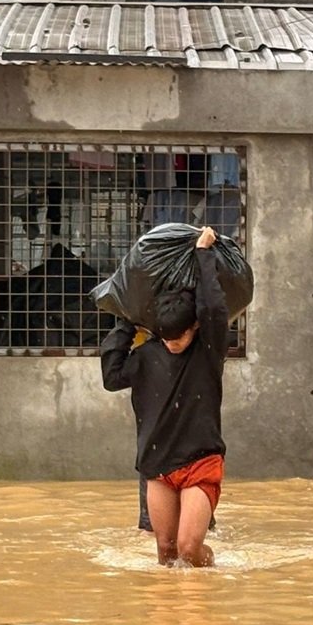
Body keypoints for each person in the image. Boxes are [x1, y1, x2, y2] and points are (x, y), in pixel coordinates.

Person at [101, 226, 228, 568]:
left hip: (201, 461)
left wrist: (204, 254)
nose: (173, 344)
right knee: (165, 550)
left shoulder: (208, 353)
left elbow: (214, 308)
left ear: (195, 328)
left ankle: (210, 574)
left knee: (189, 547)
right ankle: (169, 611)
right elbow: (112, 378)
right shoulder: (144, 357)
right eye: (167, 337)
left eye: (180, 337)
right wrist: (126, 321)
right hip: (158, 465)